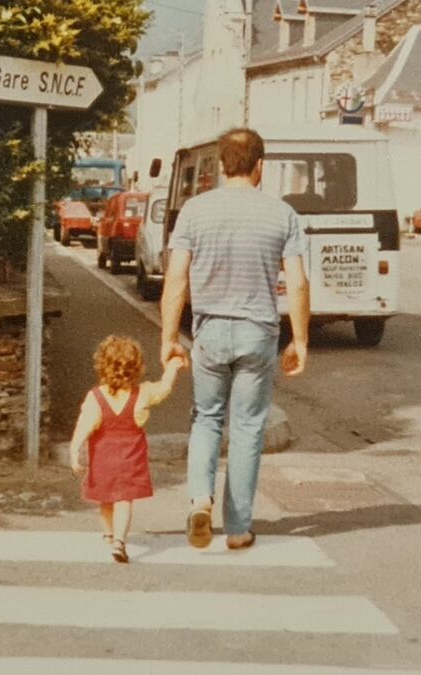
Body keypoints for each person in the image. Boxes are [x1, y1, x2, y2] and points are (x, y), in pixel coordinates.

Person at [159, 127, 311, 551]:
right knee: (246, 428)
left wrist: (170, 337)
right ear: (260, 166)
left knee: (206, 418)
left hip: (209, 331)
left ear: (222, 166)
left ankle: (199, 499)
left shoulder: (194, 211)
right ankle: (239, 527)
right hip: (258, 333)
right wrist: (300, 340)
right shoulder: (282, 215)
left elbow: (176, 278)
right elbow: (297, 284)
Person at [69, 336, 183, 563]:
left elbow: (83, 428)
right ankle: (120, 542)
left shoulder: (96, 397)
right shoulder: (142, 394)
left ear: (101, 366)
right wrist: (172, 367)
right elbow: (165, 388)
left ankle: (109, 534)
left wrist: (74, 453)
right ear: (138, 368)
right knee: (124, 501)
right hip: (130, 458)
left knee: (105, 499)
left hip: (103, 458)